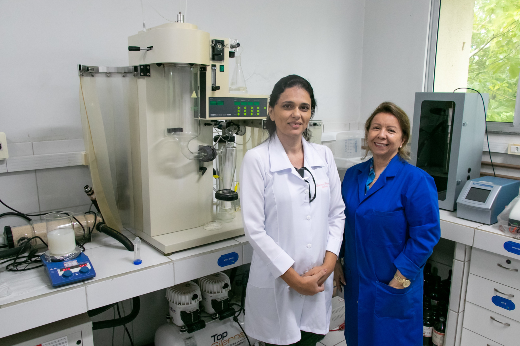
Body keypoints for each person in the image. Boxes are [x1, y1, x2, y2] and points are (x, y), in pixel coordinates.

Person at [240, 75, 345, 345]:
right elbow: (254, 230)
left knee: (310, 339)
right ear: (271, 111)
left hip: (318, 280)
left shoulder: (323, 157)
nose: (296, 114)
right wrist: (295, 280)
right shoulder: (257, 159)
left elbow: (337, 213)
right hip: (279, 286)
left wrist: (329, 265)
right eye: (287, 106)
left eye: (304, 107)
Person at [335, 102, 441, 346]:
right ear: (367, 134)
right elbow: (340, 221)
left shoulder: (416, 180)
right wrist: (336, 261)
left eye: (391, 130)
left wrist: (400, 279)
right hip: (357, 283)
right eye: (376, 128)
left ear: (402, 139)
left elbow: (426, 235)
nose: (381, 135)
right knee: (358, 338)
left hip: (394, 284)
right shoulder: (353, 176)